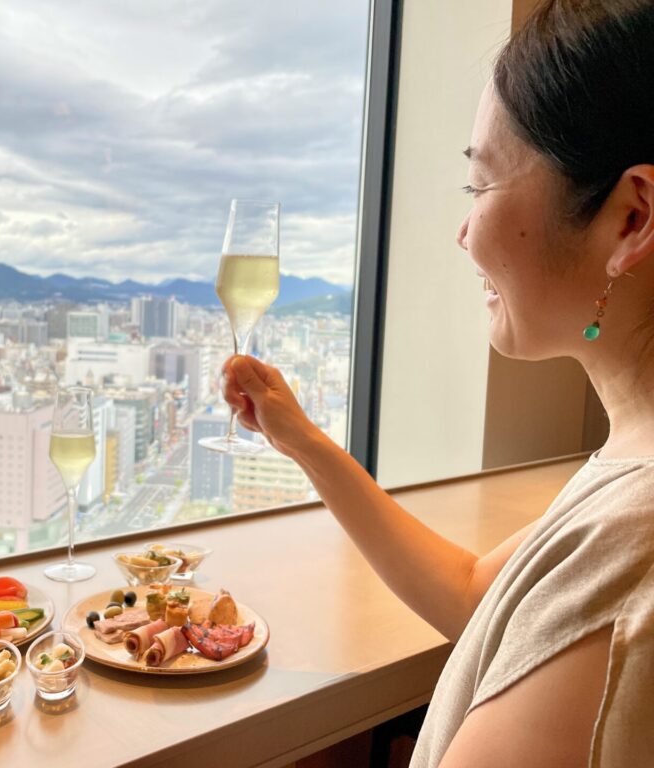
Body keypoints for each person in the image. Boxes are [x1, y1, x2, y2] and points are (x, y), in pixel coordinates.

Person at [223, 2, 654, 765]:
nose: (463, 233)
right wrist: (304, 440)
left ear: (630, 220)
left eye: (479, 187)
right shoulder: (631, 463)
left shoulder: (629, 551)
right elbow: (475, 593)